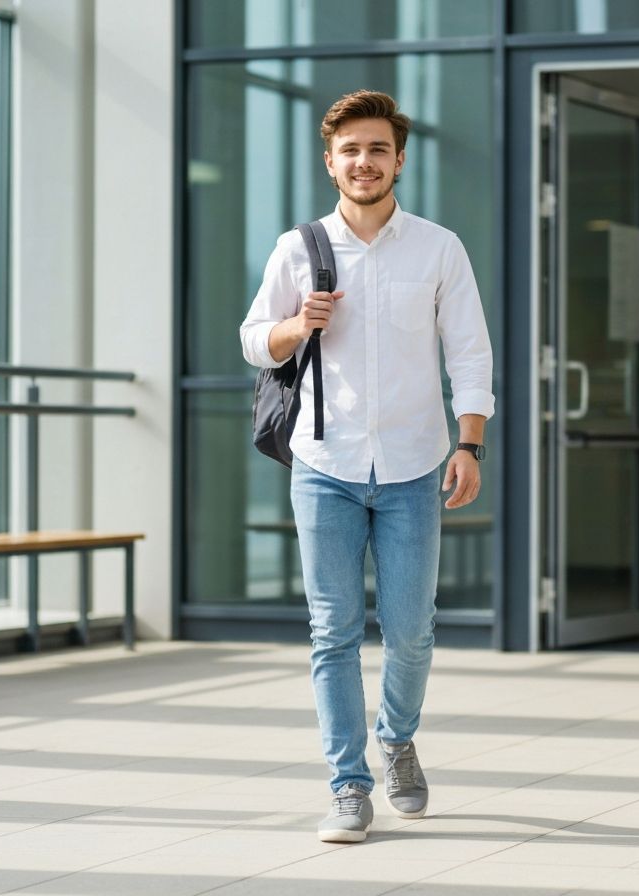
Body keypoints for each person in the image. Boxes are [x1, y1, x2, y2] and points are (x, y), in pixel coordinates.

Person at [239, 90, 494, 843]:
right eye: (350, 150)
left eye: (377, 149)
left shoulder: (439, 248)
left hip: (416, 462)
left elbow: (470, 352)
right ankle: (348, 784)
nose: (364, 161)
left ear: (398, 160)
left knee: (412, 630)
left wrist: (469, 443)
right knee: (333, 631)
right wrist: (295, 325)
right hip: (324, 463)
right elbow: (254, 339)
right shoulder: (300, 248)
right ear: (331, 162)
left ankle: (398, 738)